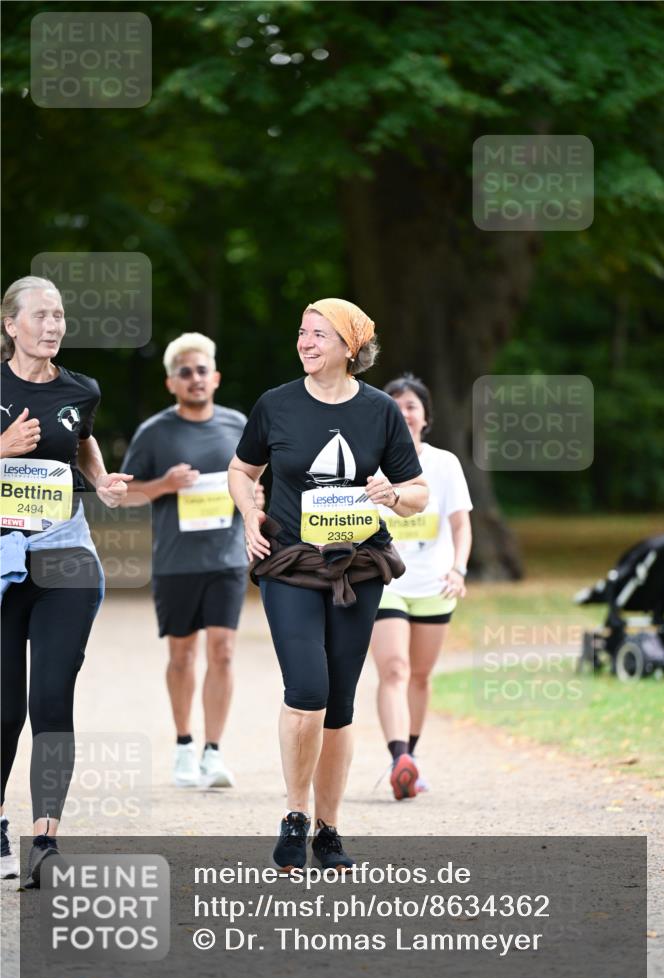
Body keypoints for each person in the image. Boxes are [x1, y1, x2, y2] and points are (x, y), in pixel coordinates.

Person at [228, 298, 428, 871]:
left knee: (339, 702)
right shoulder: (276, 404)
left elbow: (418, 494)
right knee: (307, 689)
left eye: (319, 334)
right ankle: (295, 816)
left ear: (350, 346)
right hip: (290, 564)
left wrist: (393, 494)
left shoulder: (380, 410)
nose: (306, 342)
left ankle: (329, 830)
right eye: (302, 332)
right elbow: (241, 470)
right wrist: (249, 512)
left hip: (358, 568)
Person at [0, 276, 131, 886]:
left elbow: (83, 441)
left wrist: (100, 480)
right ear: (11, 325)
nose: (53, 326)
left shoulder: (81, 389)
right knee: (5, 710)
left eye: (59, 315)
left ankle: (45, 841)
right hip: (4, 562)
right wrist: (3, 447)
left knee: (51, 698)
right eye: (41, 315)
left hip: (64, 557)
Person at [120, 333, 262, 789]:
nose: (195, 378)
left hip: (226, 559)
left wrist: (254, 498)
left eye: (202, 370)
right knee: (182, 656)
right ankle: (183, 746)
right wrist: (163, 484)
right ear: (171, 383)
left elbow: (255, 483)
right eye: (185, 372)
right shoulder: (154, 432)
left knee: (223, 651)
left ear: (215, 377)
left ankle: (213, 752)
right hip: (176, 563)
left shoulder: (238, 426)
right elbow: (123, 494)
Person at [370, 374, 472, 800]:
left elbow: (461, 524)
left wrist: (458, 570)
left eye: (411, 405)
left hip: (435, 584)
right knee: (394, 669)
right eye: (394, 405)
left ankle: (410, 755)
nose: (403, 413)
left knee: (421, 675)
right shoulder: (369, 462)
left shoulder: (444, 464)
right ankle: (399, 760)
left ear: (425, 417)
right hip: (385, 581)